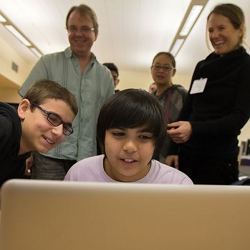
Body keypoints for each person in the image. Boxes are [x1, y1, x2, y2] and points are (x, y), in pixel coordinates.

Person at [19, 4, 114, 180]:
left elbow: (108, 120)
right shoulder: (47, 63)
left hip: (88, 160)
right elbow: (26, 110)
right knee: (48, 206)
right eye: (73, 28)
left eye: (85, 28)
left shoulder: (105, 76)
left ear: (96, 34)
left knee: (82, 207)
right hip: (48, 155)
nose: (78, 34)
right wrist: (25, 151)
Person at [167, 3, 250, 184]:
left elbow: (238, 119)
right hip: (187, 156)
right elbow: (188, 109)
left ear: (239, 30)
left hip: (219, 160)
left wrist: (194, 129)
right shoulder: (202, 66)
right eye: (211, 30)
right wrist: (173, 149)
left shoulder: (246, 66)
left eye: (221, 28)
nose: (214, 35)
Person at [64, 89, 192, 184]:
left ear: (157, 142)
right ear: (102, 135)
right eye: (119, 134)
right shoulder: (80, 174)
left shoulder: (177, 184)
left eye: (144, 137)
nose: (130, 147)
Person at [0, 80, 78, 186]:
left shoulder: (20, 159)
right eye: (53, 118)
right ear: (24, 108)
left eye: (66, 127)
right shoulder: (4, 128)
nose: (59, 133)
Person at [150, 52, 187, 163]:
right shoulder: (149, 99)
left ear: (173, 72)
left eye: (166, 67)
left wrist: (175, 151)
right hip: (149, 154)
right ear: (151, 69)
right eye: (157, 66)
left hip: (172, 156)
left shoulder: (181, 94)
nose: (161, 70)